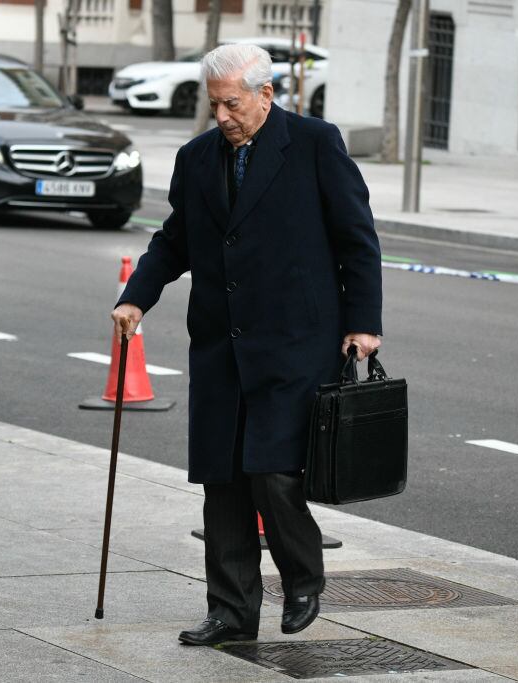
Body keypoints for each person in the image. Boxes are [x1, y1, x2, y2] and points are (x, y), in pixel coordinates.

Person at [110, 43, 382, 646]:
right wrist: (137, 295)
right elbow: (175, 238)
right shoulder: (196, 157)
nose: (223, 115)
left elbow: (357, 238)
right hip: (220, 344)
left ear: (266, 94)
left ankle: (303, 576)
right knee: (223, 479)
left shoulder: (314, 144)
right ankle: (231, 612)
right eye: (215, 104)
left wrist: (364, 322)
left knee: (275, 472)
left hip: (294, 342)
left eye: (232, 102)